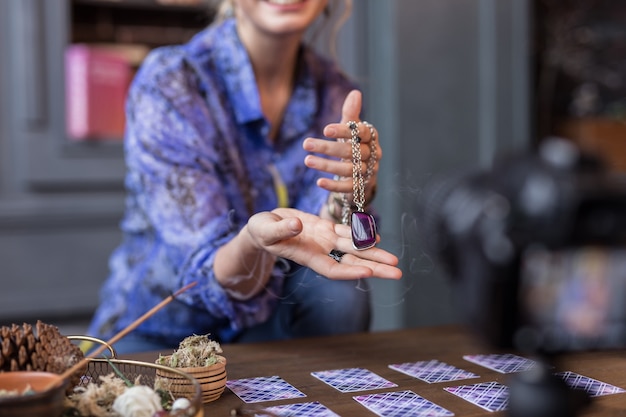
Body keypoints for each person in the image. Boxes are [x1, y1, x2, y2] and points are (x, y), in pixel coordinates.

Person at [87, 0, 402, 354]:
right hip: (160, 330)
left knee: (339, 291)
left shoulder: (335, 93)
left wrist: (346, 195)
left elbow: (321, 236)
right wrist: (254, 244)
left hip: (264, 325)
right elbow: (202, 266)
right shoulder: (172, 82)